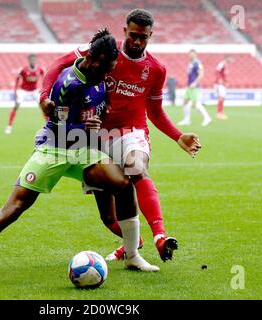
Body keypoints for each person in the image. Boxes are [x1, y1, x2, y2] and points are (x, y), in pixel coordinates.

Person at [0, 30, 160, 278]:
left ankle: (132, 256)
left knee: (123, 184)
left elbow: (99, 112)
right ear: (94, 59)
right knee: (15, 206)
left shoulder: (100, 76)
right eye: (106, 67)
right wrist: (85, 127)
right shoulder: (69, 83)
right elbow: (59, 125)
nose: (109, 73)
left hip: (82, 150)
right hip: (54, 148)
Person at [40, 9, 202, 262]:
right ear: (124, 31)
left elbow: (155, 111)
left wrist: (177, 136)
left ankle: (160, 237)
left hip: (132, 132)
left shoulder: (156, 70)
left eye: (144, 38)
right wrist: (44, 97)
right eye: (133, 35)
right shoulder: (105, 51)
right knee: (108, 217)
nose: (138, 42)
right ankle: (133, 242)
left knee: (136, 168)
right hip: (95, 137)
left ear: (150, 35)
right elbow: (56, 65)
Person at [5, 53, 45, 134]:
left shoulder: (40, 69)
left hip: (34, 90)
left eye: (34, 59)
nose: (33, 61)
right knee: (16, 106)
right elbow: (17, 79)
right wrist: (15, 92)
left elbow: (45, 78)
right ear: (29, 60)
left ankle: (48, 125)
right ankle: (9, 126)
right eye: (31, 59)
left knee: (43, 106)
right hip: (23, 90)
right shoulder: (23, 69)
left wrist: (43, 88)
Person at [178, 49, 212, 127]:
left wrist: (195, 83)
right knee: (185, 102)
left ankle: (207, 118)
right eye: (190, 54)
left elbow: (201, 74)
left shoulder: (197, 63)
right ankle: (187, 120)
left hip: (194, 87)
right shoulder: (190, 63)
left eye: (192, 54)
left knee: (195, 104)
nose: (191, 55)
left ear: (196, 54)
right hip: (189, 86)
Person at [215, 54, 232, 120]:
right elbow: (217, 71)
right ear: (227, 58)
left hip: (222, 84)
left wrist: (226, 82)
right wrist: (219, 79)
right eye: (230, 58)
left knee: (222, 98)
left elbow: (224, 75)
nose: (231, 60)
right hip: (219, 84)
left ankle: (220, 112)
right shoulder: (222, 64)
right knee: (221, 97)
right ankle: (219, 113)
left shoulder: (226, 65)